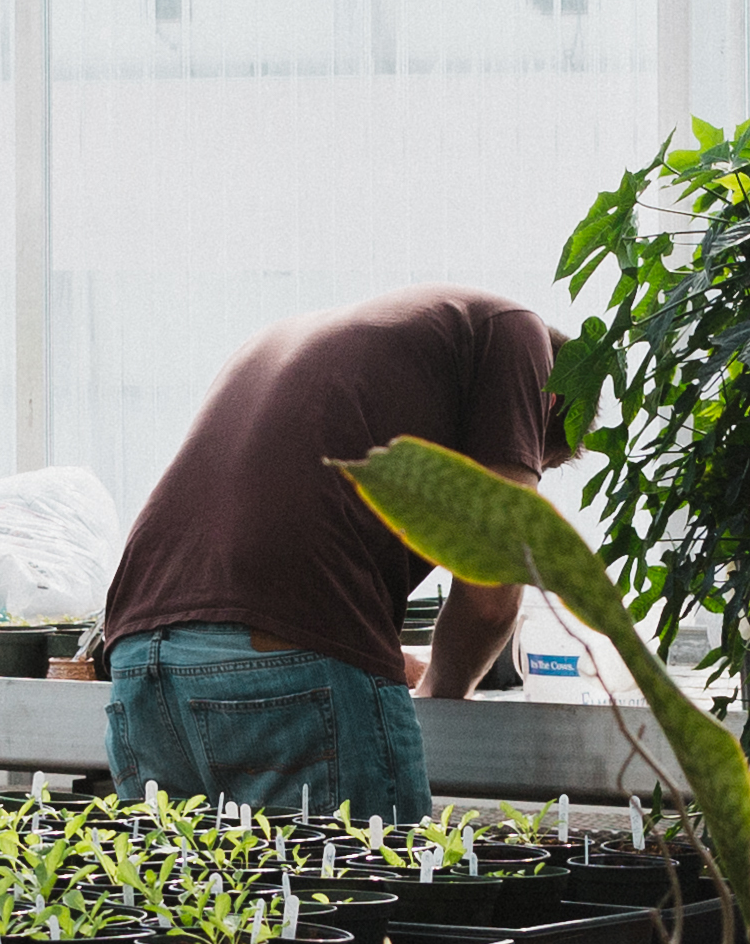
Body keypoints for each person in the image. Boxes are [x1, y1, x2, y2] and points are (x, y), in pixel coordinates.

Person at [95, 286, 560, 821]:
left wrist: (386, 658)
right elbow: (490, 597)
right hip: (283, 665)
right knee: (363, 875)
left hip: (140, 655)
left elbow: (240, 589)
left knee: (201, 879)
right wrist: (442, 685)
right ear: (547, 404)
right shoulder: (515, 331)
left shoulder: (310, 341)